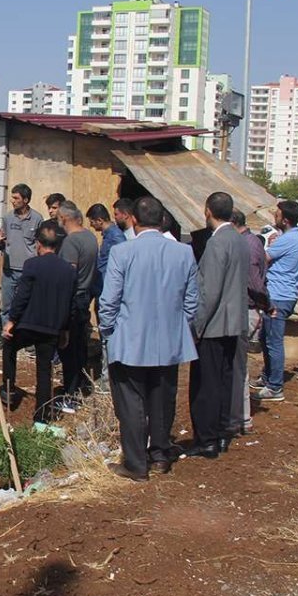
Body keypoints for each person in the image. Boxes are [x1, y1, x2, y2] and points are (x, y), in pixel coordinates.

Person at [100, 196, 199, 481]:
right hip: (169, 341)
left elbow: (110, 301)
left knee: (131, 403)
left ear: (133, 219)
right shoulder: (183, 252)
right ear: (163, 220)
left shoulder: (123, 253)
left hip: (130, 340)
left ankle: (135, 463)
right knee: (162, 398)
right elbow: (192, 301)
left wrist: (109, 330)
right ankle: (159, 454)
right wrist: (177, 326)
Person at [186, 192, 249, 459]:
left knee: (205, 385)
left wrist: (196, 327)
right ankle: (222, 434)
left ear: (207, 211)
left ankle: (207, 439)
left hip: (213, 324)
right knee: (225, 381)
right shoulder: (239, 238)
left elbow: (209, 291)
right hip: (233, 322)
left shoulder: (216, 243)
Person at [1, 221, 76, 422]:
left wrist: (11, 321)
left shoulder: (32, 265)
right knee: (44, 371)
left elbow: (22, 296)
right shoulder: (68, 271)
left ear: (39, 244)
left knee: (9, 347)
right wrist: (65, 330)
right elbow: (70, 304)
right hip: (51, 329)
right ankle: (41, 417)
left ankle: (8, 390)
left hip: (28, 325)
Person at [252, 201, 298, 403]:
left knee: (273, 342)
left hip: (278, 295)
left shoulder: (289, 239)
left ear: (285, 219)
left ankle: (275, 386)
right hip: (283, 294)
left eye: (277, 214)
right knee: (267, 338)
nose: (274, 216)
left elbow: (263, 258)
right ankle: (268, 377)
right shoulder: (294, 238)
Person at [227, 211, 268, 437]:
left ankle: (241, 418)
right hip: (251, 308)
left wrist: (264, 304)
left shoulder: (247, 245)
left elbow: (254, 282)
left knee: (237, 367)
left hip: (247, 308)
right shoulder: (252, 242)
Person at [57, 201, 98, 407]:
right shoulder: (90, 236)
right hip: (84, 297)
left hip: (73, 298)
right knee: (79, 345)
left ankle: (70, 394)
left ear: (64, 218)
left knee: (68, 347)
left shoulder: (71, 242)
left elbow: (69, 274)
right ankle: (81, 385)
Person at [0, 184, 45, 334]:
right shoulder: (8, 218)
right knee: (7, 306)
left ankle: (26, 337)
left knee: (28, 305)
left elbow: (40, 245)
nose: (12, 201)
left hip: (28, 270)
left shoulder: (37, 219)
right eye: (12, 197)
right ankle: (7, 335)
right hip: (9, 270)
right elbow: (2, 243)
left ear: (26, 200)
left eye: (16, 198)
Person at [87, 203, 125, 388]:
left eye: (92, 222)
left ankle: (107, 378)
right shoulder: (110, 236)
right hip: (102, 290)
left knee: (108, 334)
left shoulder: (116, 238)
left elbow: (114, 267)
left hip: (108, 293)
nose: (92, 226)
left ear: (100, 220)